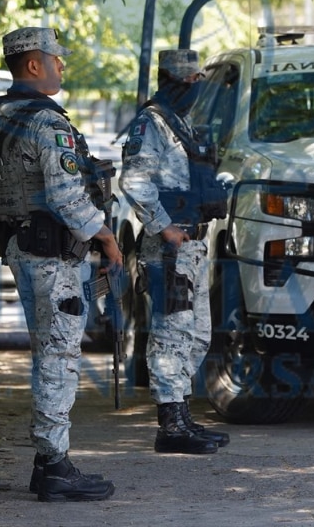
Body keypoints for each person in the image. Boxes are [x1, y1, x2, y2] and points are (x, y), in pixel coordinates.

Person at [0, 26, 121, 503]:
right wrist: (108, 238)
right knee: (58, 358)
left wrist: (5, 239)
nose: (61, 67)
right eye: (56, 59)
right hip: (54, 259)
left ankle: (49, 463)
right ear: (34, 64)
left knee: (48, 353)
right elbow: (68, 196)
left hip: (25, 255)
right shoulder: (48, 123)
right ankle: (53, 466)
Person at [118, 49, 230, 455]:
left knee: (195, 335)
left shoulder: (178, 123)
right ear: (169, 81)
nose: (194, 87)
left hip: (193, 244)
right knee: (169, 336)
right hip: (170, 247)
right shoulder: (151, 123)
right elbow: (133, 178)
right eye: (188, 81)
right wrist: (162, 226)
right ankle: (170, 425)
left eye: (197, 80)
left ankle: (182, 415)